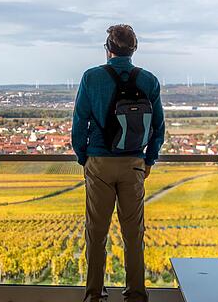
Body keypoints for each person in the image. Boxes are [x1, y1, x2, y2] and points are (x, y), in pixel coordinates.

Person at [72, 24, 165, 302]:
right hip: (133, 163)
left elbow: (79, 124)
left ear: (107, 48)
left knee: (96, 233)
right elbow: (158, 128)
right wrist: (148, 160)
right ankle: (136, 294)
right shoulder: (149, 80)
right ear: (134, 49)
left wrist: (83, 157)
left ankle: (95, 294)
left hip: (99, 162)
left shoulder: (91, 77)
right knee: (134, 234)